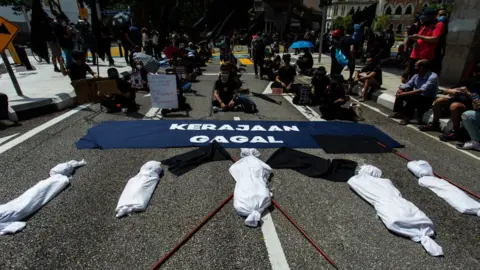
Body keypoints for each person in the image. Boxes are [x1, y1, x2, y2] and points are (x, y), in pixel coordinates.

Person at [390, 59, 438, 125]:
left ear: (422, 67)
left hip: (427, 98)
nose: (414, 68)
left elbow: (422, 90)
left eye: (416, 66)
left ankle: (407, 118)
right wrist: (400, 89)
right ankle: (399, 113)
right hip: (418, 95)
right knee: (401, 92)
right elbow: (408, 85)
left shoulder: (433, 76)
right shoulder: (416, 76)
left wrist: (404, 94)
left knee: (412, 96)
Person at [407, 8, 445, 79]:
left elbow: (434, 39)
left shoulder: (438, 25)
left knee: (420, 78)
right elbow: (420, 38)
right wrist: (414, 38)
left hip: (424, 57)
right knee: (411, 76)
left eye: (424, 18)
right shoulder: (424, 26)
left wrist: (419, 36)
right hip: (414, 55)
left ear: (431, 17)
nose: (422, 20)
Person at [431, 8, 449, 76]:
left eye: (444, 15)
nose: (443, 17)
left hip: (439, 47)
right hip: (432, 47)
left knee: (437, 64)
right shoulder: (433, 25)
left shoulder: (444, 25)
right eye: (441, 15)